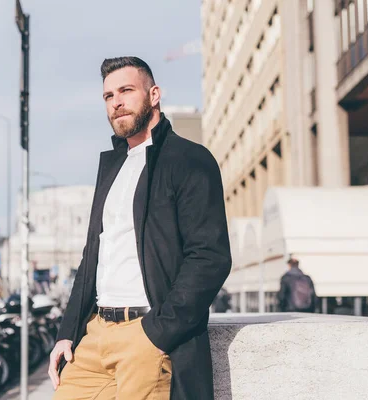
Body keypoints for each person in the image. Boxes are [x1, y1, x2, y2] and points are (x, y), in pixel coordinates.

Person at [49, 56, 231, 400]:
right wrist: (67, 333)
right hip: (94, 336)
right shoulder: (113, 167)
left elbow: (210, 256)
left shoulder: (189, 159)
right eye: (108, 96)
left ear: (154, 94)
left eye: (126, 90)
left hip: (145, 336)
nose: (116, 102)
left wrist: (156, 333)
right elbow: (92, 259)